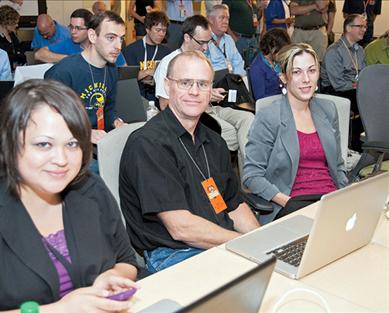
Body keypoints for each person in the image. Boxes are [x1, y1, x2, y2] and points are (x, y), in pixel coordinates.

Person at [0, 79, 138, 313]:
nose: (62, 159)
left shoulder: (89, 188)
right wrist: (59, 310)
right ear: (10, 143)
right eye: (44, 144)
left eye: (73, 144)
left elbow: (126, 260)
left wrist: (112, 277)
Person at [120, 51, 260, 273]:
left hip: (218, 243)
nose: (194, 92)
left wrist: (260, 242)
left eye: (203, 84)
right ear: (167, 85)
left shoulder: (215, 142)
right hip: (174, 253)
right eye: (185, 83)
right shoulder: (148, 144)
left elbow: (234, 205)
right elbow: (181, 228)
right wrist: (242, 245)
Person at [243, 43, 348, 224]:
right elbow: (251, 175)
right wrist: (287, 202)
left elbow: (338, 166)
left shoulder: (328, 110)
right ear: (284, 77)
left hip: (330, 201)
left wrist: (347, 195)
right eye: (297, 72)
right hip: (292, 204)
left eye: (312, 70)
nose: (306, 79)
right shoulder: (269, 116)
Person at [155, 15, 254, 164]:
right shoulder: (170, 63)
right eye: (201, 42)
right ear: (187, 38)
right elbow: (164, 105)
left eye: (208, 42)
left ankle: (249, 176)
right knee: (231, 133)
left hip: (211, 108)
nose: (206, 47)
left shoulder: (202, 60)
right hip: (194, 113)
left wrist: (210, 93)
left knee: (248, 119)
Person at [44, 11, 126, 146]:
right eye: (111, 38)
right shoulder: (63, 72)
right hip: (67, 144)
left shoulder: (111, 70)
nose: (118, 46)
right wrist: (86, 133)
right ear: (93, 36)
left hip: (98, 141)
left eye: (121, 39)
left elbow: (108, 109)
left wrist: (116, 122)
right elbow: (50, 120)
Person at [321, 14, 366, 151]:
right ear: (348, 28)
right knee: (364, 103)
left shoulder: (360, 51)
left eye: (365, 26)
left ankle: (366, 142)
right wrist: (358, 85)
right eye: (360, 26)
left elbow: (363, 74)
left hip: (353, 88)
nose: (364, 29)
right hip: (334, 91)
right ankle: (354, 146)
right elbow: (338, 84)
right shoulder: (334, 51)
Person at [35, 9, 126, 66]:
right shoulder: (69, 43)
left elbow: (125, 73)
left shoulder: (106, 46)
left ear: (90, 31)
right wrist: (69, 58)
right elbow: (39, 54)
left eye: (78, 28)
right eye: (71, 27)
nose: (73, 32)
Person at [123, 11, 171, 104]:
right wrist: (147, 72)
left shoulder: (167, 53)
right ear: (148, 29)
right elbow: (126, 80)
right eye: (158, 30)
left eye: (164, 30)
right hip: (135, 99)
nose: (161, 34)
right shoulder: (131, 50)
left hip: (158, 100)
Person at [250, 28, 291, 100]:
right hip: (271, 104)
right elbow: (260, 98)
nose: (284, 56)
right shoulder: (257, 67)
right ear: (273, 49)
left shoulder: (277, 61)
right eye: (282, 52)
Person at [205, 4, 246, 75]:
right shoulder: (204, 39)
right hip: (212, 81)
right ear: (210, 19)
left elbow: (238, 63)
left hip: (231, 80)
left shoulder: (228, 39)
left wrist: (237, 80)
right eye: (222, 17)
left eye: (227, 18)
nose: (226, 22)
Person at [222, 0, 264, 67]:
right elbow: (223, 16)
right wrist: (231, 35)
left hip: (252, 39)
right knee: (238, 66)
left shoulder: (251, 2)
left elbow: (255, 18)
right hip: (239, 38)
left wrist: (261, 9)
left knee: (253, 66)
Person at [0, 5, 26, 70]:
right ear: (5, 23)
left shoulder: (12, 35)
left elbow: (20, 53)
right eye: (14, 23)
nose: (17, 25)